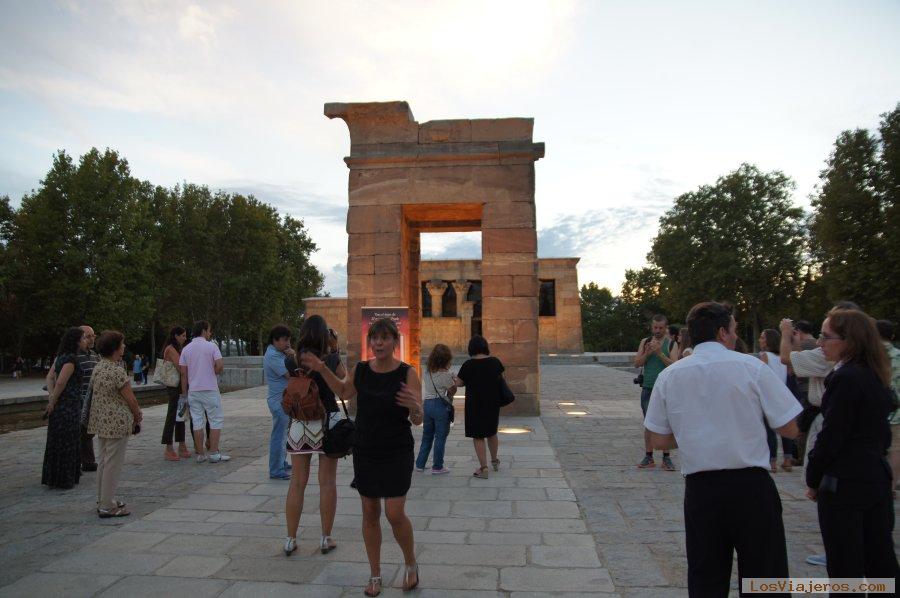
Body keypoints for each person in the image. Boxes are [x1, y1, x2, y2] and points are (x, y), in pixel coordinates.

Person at [644, 302, 801, 597]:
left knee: (707, 578)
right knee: (765, 578)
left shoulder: (670, 376)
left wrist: (694, 434)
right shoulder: (751, 366)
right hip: (751, 486)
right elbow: (790, 427)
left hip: (702, 490)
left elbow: (660, 440)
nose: (735, 334)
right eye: (733, 329)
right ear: (722, 332)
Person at [302, 317, 423, 596]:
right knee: (369, 512)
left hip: (396, 449)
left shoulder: (407, 373)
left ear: (394, 342)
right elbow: (344, 391)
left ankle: (410, 563)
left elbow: (417, 420)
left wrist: (415, 406)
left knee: (394, 513)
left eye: (384, 338)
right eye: (374, 338)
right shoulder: (361, 370)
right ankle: (375, 574)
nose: (378, 343)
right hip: (366, 448)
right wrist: (321, 368)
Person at [805, 309, 899, 582]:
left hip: (846, 482)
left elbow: (833, 435)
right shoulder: (874, 374)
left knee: (845, 566)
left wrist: (814, 476)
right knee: (880, 559)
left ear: (849, 340)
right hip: (875, 477)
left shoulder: (846, 378)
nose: (820, 343)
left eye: (826, 336)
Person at [282, 316, 344, 556]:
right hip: (327, 420)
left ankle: (290, 538)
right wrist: (335, 349)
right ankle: (325, 538)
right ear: (324, 335)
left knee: (297, 481)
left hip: (300, 422)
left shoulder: (292, 361)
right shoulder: (330, 359)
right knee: (327, 481)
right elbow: (344, 383)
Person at [87, 330, 142, 518]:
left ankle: (103, 499)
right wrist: (138, 416)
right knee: (113, 464)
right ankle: (108, 505)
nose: (124, 347)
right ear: (115, 348)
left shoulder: (98, 367)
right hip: (117, 422)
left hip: (101, 421)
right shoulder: (117, 371)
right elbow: (131, 399)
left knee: (103, 461)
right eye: (122, 344)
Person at [42, 327, 85, 490]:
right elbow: (61, 382)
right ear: (76, 341)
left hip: (61, 403)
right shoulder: (71, 360)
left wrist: (52, 398)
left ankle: (53, 475)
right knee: (68, 439)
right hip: (69, 404)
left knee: (56, 439)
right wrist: (53, 400)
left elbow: (50, 377)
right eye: (82, 338)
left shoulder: (60, 357)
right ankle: (65, 477)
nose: (85, 341)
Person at [179, 320, 229, 463]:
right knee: (215, 420)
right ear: (204, 330)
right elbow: (220, 366)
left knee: (197, 421)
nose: (210, 333)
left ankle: (200, 454)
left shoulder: (186, 349)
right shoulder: (212, 346)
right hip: (210, 389)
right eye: (209, 330)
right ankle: (214, 453)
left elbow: (183, 374)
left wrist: (184, 393)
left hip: (193, 390)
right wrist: (211, 373)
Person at [455, 335, 504, 479]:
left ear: (471, 348)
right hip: (492, 403)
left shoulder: (468, 365)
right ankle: (494, 461)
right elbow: (500, 379)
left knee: (478, 436)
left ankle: (483, 468)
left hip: (474, 405)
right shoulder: (495, 362)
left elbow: (459, 383)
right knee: (492, 432)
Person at [633, 314, 676, 470]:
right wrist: (647, 353)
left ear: (665, 328)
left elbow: (674, 366)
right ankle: (648, 456)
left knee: (667, 422)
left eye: (661, 328)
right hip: (648, 387)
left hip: (665, 389)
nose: (658, 331)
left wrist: (659, 353)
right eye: (655, 327)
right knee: (648, 423)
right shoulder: (645, 342)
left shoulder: (671, 344)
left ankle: (666, 458)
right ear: (652, 327)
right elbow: (637, 363)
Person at [758, 329, 797, 472]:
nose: (759, 340)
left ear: (768, 341)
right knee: (784, 426)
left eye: (762, 337)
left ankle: (772, 461)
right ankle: (788, 459)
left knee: (770, 430)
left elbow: (763, 376)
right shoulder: (783, 357)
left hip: (769, 394)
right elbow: (789, 374)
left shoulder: (764, 356)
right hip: (784, 393)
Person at [415, 343, 456, 475]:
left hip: (427, 404)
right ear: (446, 359)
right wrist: (453, 380)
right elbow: (452, 391)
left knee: (427, 436)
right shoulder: (446, 374)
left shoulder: (427, 371)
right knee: (440, 437)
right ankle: (437, 466)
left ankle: (420, 464)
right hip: (440, 406)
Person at [263, 324, 294, 480]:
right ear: (275, 340)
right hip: (278, 401)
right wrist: (293, 357)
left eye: (289, 340)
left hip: (284, 400)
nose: (287, 343)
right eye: (284, 340)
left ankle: (281, 462)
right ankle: (275, 469)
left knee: (283, 435)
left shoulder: (279, 353)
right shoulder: (273, 356)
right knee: (279, 436)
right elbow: (291, 375)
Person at [875, 320, 900, 491]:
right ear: (892, 336)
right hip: (897, 409)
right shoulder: (898, 355)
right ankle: (890, 486)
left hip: (875, 409)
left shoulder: (872, 354)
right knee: (896, 449)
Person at [160, 326, 189, 461]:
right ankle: (169, 447)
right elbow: (180, 366)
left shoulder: (177, 349)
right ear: (176, 336)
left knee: (180, 415)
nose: (185, 338)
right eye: (182, 335)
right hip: (174, 386)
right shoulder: (171, 349)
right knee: (172, 416)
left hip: (178, 386)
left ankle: (181, 445)